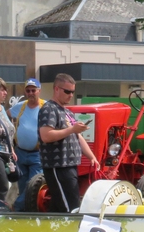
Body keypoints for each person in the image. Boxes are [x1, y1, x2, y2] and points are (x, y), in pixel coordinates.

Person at [38, 73, 99, 212]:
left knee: (61, 206)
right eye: (67, 91)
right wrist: (72, 129)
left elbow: (78, 136)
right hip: (58, 166)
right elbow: (46, 136)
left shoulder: (67, 112)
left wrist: (91, 157)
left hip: (69, 165)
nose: (71, 95)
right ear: (56, 89)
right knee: (71, 208)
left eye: (72, 92)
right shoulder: (49, 109)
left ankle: (51, 231)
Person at [8, 78, 45, 211]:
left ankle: (15, 208)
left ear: (39, 91)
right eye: (28, 90)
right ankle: (26, 214)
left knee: (33, 186)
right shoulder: (20, 106)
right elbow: (5, 116)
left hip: (37, 154)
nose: (31, 93)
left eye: (33, 90)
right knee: (23, 186)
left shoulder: (45, 107)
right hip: (20, 153)